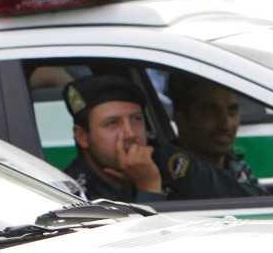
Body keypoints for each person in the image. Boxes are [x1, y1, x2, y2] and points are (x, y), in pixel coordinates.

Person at [62, 76, 239, 202]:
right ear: (83, 137)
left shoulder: (165, 160)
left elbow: (242, 196)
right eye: (112, 123)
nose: (130, 133)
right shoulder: (72, 194)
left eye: (136, 119)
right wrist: (148, 187)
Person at [166, 72, 265, 197]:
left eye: (232, 110)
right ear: (181, 119)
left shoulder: (235, 165)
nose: (225, 124)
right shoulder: (177, 170)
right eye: (211, 111)